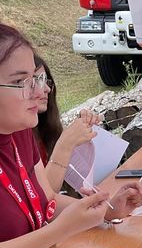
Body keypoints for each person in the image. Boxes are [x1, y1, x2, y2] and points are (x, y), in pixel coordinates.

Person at [0, 19, 142, 248]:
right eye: (20, 82)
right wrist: (57, 232)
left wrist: (105, 211)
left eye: (36, 78)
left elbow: (45, 199)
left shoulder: (19, 132)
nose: (39, 91)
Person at [33, 55, 101, 193]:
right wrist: (66, 144)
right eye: (37, 80)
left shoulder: (45, 128)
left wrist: (82, 136)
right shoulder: (15, 139)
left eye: (46, 81)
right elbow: (42, 197)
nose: (47, 89)